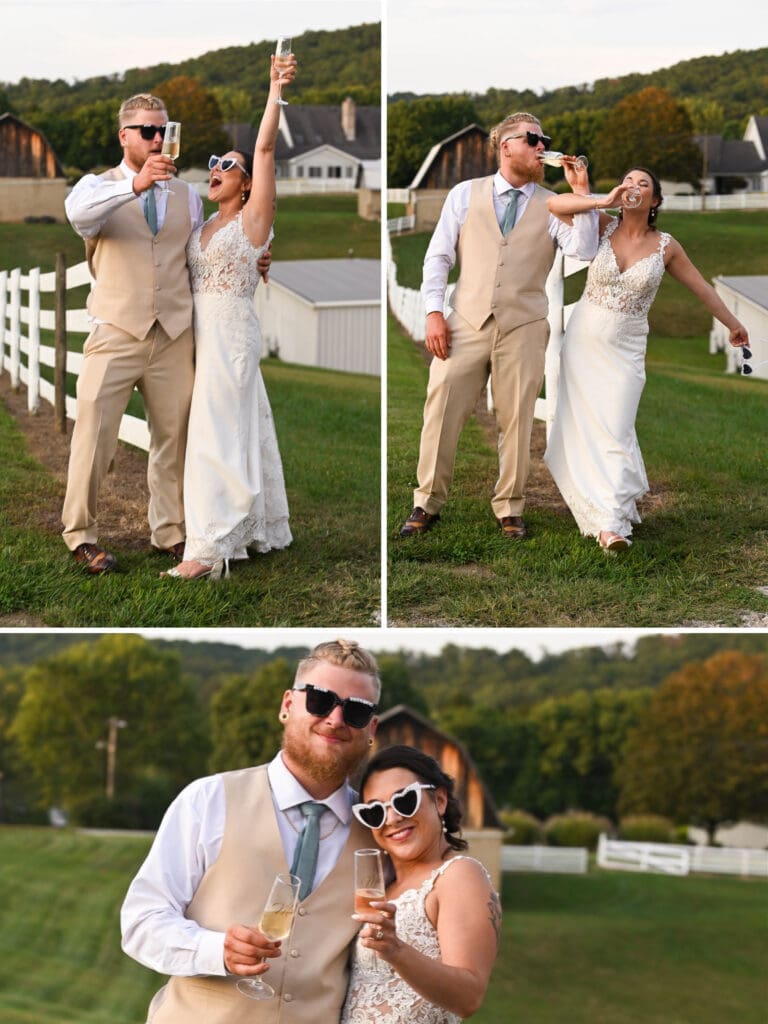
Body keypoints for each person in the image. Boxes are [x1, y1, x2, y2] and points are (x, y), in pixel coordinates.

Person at [121, 638, 381, 1024]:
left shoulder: (376, 831)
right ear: (288, 705)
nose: (336, 720)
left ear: (371, 728)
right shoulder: (208, 799)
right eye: (320, 701)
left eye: (356, 711)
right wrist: (215, 950)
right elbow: (141, 922)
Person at [399, 113, 599, 541]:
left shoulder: (551, 203)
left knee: (518, 418)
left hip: (524, 326)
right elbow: (438, 257)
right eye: (533, 139)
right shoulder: (463, 194)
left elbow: (584, 249)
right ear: (506, 145)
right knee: (441, 407)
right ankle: (426, 502)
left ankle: (510, 506)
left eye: (545, 139)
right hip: (465, 321)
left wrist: (580, 194)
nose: (542, 146)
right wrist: (434, 311)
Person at [544, 166, 750, 551]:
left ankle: (611, 517)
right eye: (628, 181)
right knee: (587, 426)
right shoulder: (601, 224)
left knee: (617, 428)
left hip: (626, 349)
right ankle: (611, 525)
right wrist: (601, 199)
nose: (634, 187)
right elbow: (554, 204)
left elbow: (701, 287)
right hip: (583, 343)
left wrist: (732, 322)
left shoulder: (666, 246)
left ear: (654, 200)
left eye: (644, 184)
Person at [162, 56, 295, 580]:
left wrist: (273, 90)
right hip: (196, 334)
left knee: (218, 431)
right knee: (221, 429)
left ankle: (209, 548)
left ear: (248, 184)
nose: (216, 169)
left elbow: (263, 148)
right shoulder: (202, 223)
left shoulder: (254, 219)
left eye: (228, 165)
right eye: (214, 162)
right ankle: (245, 524)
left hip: (230, 333)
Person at [341, 745, 501, 1023]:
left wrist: (395, 950)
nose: (391, 819)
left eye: (404, 801)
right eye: (375, 812)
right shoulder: (381, 885)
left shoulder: (459, 875)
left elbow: (468, 997)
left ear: (439, 800)